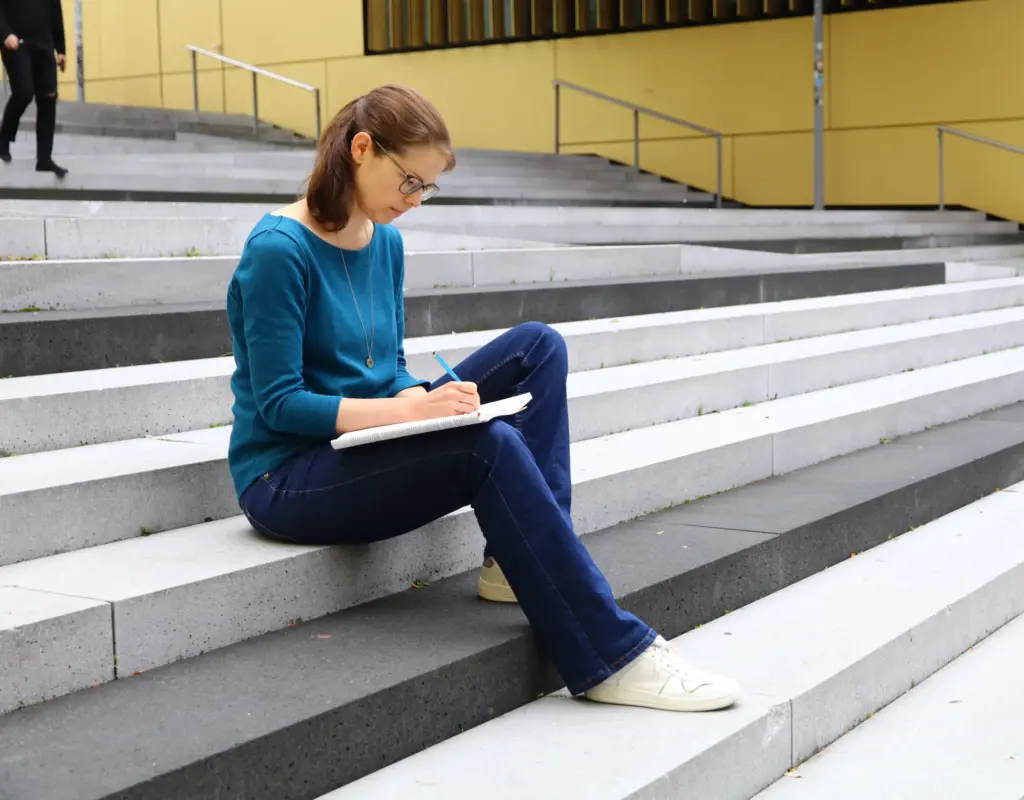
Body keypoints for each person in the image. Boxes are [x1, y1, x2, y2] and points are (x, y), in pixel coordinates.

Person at [226, 84, 741, 712]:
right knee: (488, 446)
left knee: (539, 347)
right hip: (289, 476)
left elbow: (386, 368)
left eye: (427, 189)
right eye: (409, 182)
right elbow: (280, 404)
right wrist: (410, 410)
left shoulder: (384, 241)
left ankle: (511, 567)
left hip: (367, 438)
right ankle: (608, 652)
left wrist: (424, 396)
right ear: (362, 149)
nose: (414, 202)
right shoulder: (279, 252)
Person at [0, 0, 68, 177]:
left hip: (44, 46)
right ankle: (4, 138)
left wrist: (61, 49)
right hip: (16, 43)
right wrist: (5, 34)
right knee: (24, 92)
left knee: (48, 98)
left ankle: (44, 159)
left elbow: (55, 12)